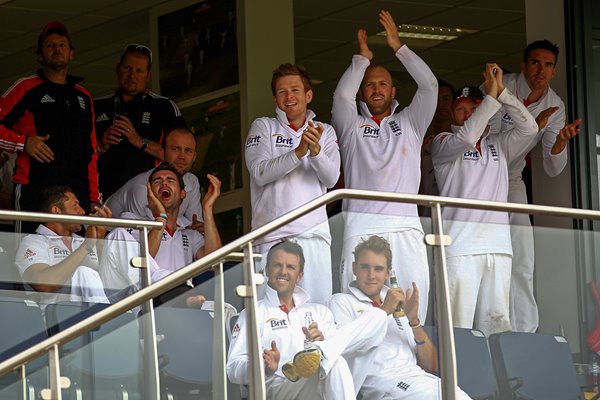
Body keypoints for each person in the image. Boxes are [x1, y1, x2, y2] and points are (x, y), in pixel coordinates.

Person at [331, 10, 437, 321]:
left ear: (393, 92)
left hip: (405, 227)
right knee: (358, 314)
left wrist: (398, 47)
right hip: (361, 228)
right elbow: (340, 95)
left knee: (413, 309)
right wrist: (361, 59)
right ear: (362, 92)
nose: (376, 89)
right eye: (369, 84)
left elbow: (429, 87)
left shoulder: (411, 122)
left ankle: (414, 366)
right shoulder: (350, 125)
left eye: (383, 84)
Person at [430, 65, 538, 337]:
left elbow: (530, 129)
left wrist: (502, 94)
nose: (468, 115)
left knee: (499, 328)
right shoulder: (443, 142)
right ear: (453, 114)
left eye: (473, 108)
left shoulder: (499, 143)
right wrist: (489, 100)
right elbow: (467, 135)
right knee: (458, 330)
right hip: (460, 249)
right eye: (461, 109)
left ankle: (498, 381)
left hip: (499, 248)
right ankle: (455, 381)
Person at [486, 40, 581, 333]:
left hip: (512, 179)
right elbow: (483, 134)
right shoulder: (502, 84)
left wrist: (559, 144)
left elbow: (553, 169)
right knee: (487, 255)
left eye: (548, 65)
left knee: (523, 255)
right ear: (525, 64)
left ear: (554, 71)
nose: (541, 70)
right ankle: (487, 326)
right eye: (536, 63)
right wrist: (532, 125)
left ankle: (525, 330)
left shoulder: (556, 105)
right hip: (483, 175)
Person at [227, 240, 386, 399]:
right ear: (267, 270)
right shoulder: (253, 313)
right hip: (277, 388)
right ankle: (319, 352)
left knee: (377, 316)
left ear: (299, 276)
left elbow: (337, 357)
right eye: (277, 265)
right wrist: (263, 366)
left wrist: (323, 340)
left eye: (290, 267)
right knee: (331, 361)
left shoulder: (319, 312)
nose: (283, 271)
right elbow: (232, 369)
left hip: (319, 385)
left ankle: (320, 351)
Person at [329, 236, 472, 399]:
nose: (371, 275)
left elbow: (432, 365)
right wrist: (384, 311)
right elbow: (346, 346)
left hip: (421, 381)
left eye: (378, 269)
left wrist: (414, 322)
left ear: (388, 272)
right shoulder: (341, 302)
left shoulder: (397, 305)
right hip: (384, 387)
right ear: (354, 268)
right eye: (364, 267)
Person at [245, 63, 340, 305]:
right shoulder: (263, 126)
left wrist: (316, 152)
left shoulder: (325, 131)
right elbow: (259, 172)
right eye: (282, 92)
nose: (289, 97)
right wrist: (298, 153)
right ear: (275, 99)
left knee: (316, 315)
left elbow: (331, 179)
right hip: (272, 238)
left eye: (295, 90)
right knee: (272, 318)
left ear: (308, 95)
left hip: (314, 236)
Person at [0, 21, 100, 233]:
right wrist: (24, 143)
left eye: (62, 45)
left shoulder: (83, 95)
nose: (57, 49)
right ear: (40, 56)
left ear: (71, 53)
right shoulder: (25, 87)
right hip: (35, 188)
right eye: (50, 45)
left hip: (77, 192)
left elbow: (91, 153)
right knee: (29, 254)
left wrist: (93, 198)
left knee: (81, 258)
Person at [99, 162, 221, 301]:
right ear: (149, 194)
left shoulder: (189, 233)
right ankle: (175, 289)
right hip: (142, 304)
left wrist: (207, 208)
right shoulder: (132, 222)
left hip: (181, 304)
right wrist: (161, 218)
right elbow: (140, 265)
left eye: (170, 180)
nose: (164, 184)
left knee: (223, 309)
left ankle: (178, 292)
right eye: (158, 181)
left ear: (183, 194)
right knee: (117, 234)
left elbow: (214, 263)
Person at [94, 43, 185, 199]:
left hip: (148, 200)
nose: (132, 75)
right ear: (118, 69)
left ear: (148, 76)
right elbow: (77, 156)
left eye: (139, 71)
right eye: (127, 68)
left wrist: (139, 141)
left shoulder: (164, 107)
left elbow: (180, 157)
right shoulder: (96, 106)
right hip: (104, 199)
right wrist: (101, 145)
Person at [14, 186, 111, 306]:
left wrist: (100, 240)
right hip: (55, 317)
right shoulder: (33, 242)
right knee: (83, 272)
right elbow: (44, 285)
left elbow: (109, 282)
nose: (82, 211)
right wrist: (86, 246)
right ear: (56, 210)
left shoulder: (84, 241)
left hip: (90, 313)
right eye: (75, 205)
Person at [105, 127, 203, 231]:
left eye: (188, 150)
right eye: (175, 149)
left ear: (194, 157)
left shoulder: (192, 181)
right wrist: (188, 228)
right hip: (100, 237)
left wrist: (197, 227)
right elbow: (147, 238)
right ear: (162, 152)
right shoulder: (143, 188)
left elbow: (196, 225)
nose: (182, 156)